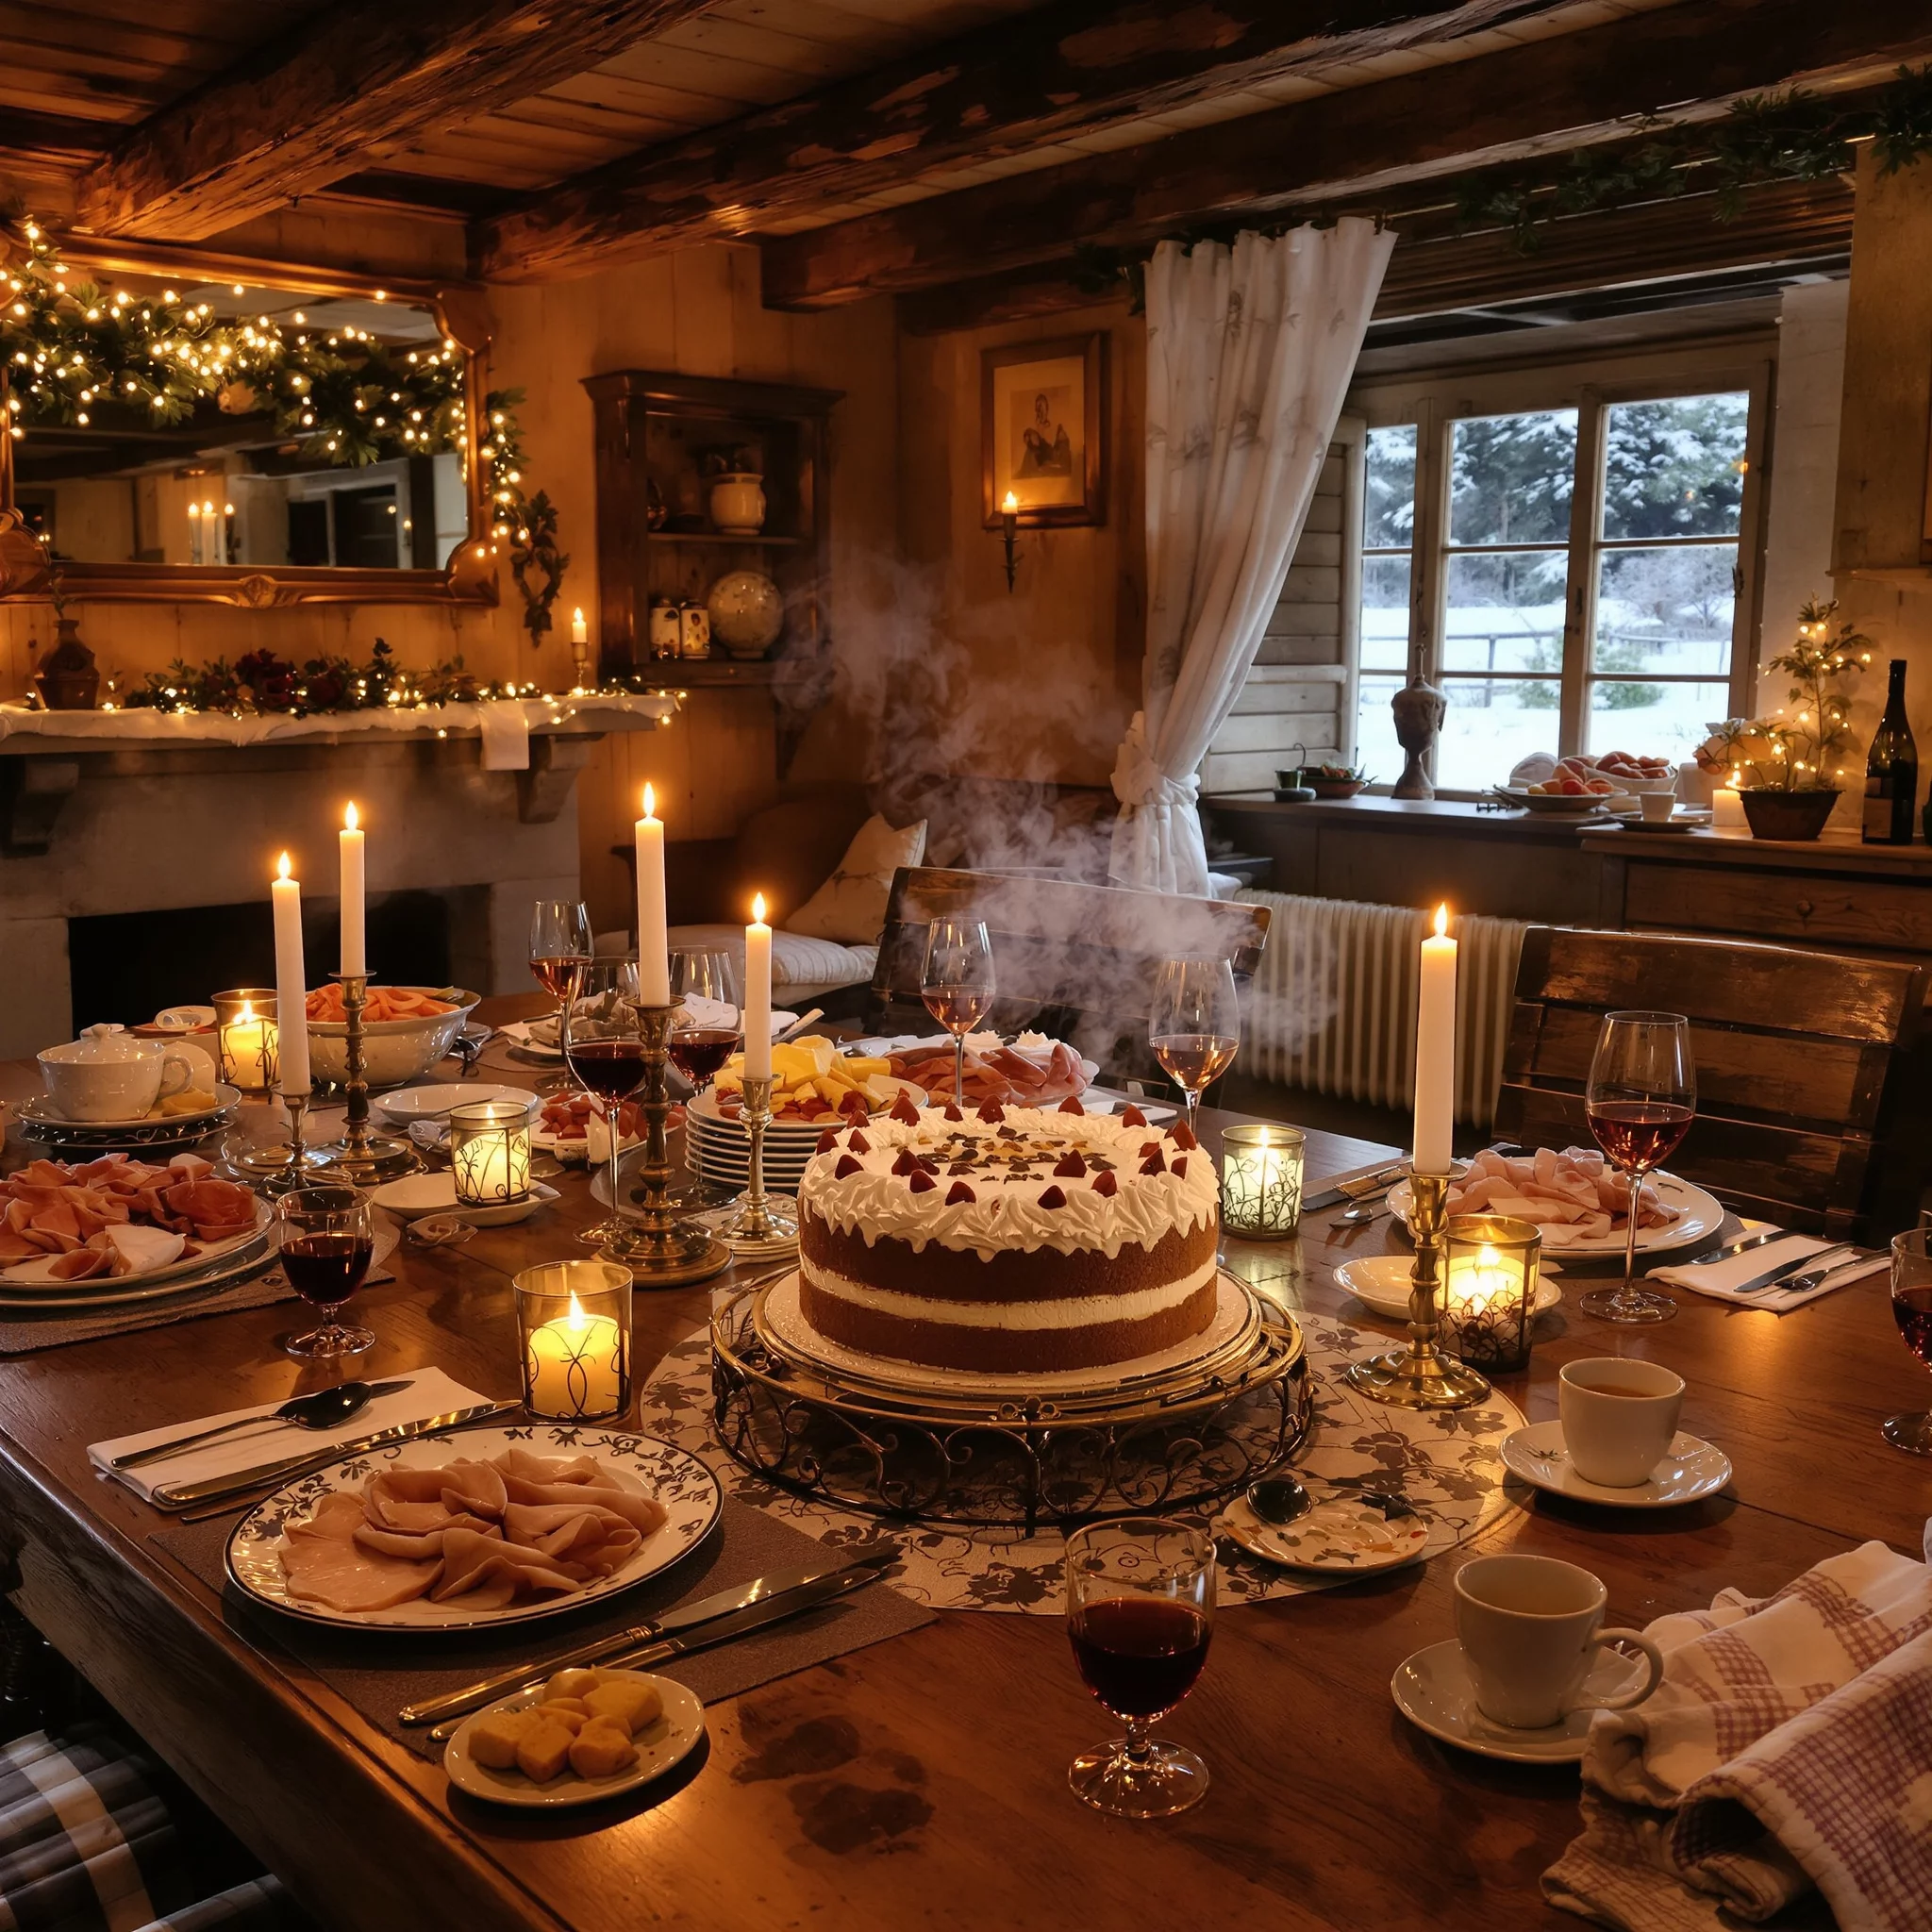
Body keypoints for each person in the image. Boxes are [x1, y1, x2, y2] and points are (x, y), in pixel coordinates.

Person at [1018, 391, 1073, 478]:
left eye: (1043, 407)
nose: (1041, 411)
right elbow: (1030, 440)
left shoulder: (1054, 427)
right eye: (1039, 407)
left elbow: (1055, 449)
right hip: (1038, 456)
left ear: (1047, 408)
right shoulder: (1033, 427)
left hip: (1050, 455)